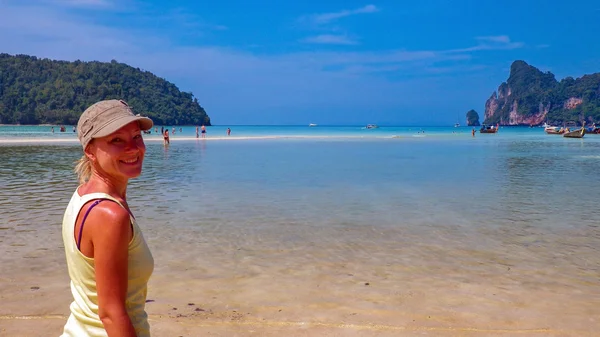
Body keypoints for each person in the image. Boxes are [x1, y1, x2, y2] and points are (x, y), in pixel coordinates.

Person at [61, 99, 154, 337]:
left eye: (136, 136)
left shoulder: (83, 195)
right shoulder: (109, 214)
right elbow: (111, 314)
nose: (133, 148)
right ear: (90, 150)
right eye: (116, 140)